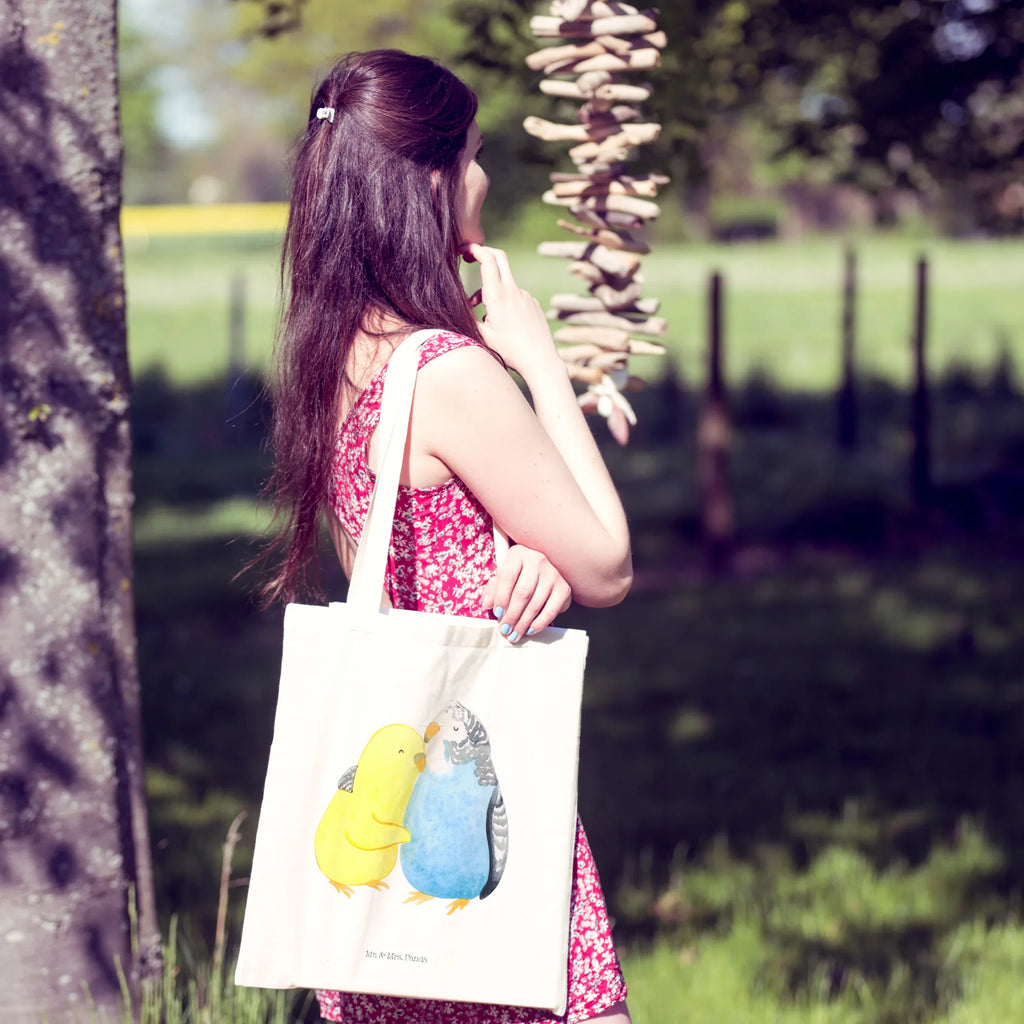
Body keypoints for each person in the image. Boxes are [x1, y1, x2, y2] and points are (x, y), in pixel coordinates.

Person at [261, 48, 634, 1024]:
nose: (483, 177)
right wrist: (540, 363)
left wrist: (517, 556)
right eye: (470, 154)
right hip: (470, 800)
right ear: (428, 178)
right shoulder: (450, 373)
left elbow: (399, 554)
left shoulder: (336, 353)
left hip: (384, 830)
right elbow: (608, 561)